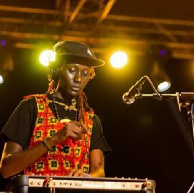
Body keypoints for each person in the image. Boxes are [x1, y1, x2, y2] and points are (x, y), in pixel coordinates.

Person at [0, 41, 112, 183]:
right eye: (72, 70)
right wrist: (54, 139)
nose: (78, 79)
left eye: (85, 73)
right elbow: (6, 169)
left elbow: (99, 170)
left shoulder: (91, 119)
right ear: (55, 70)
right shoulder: (32, 106)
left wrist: (87, 177)